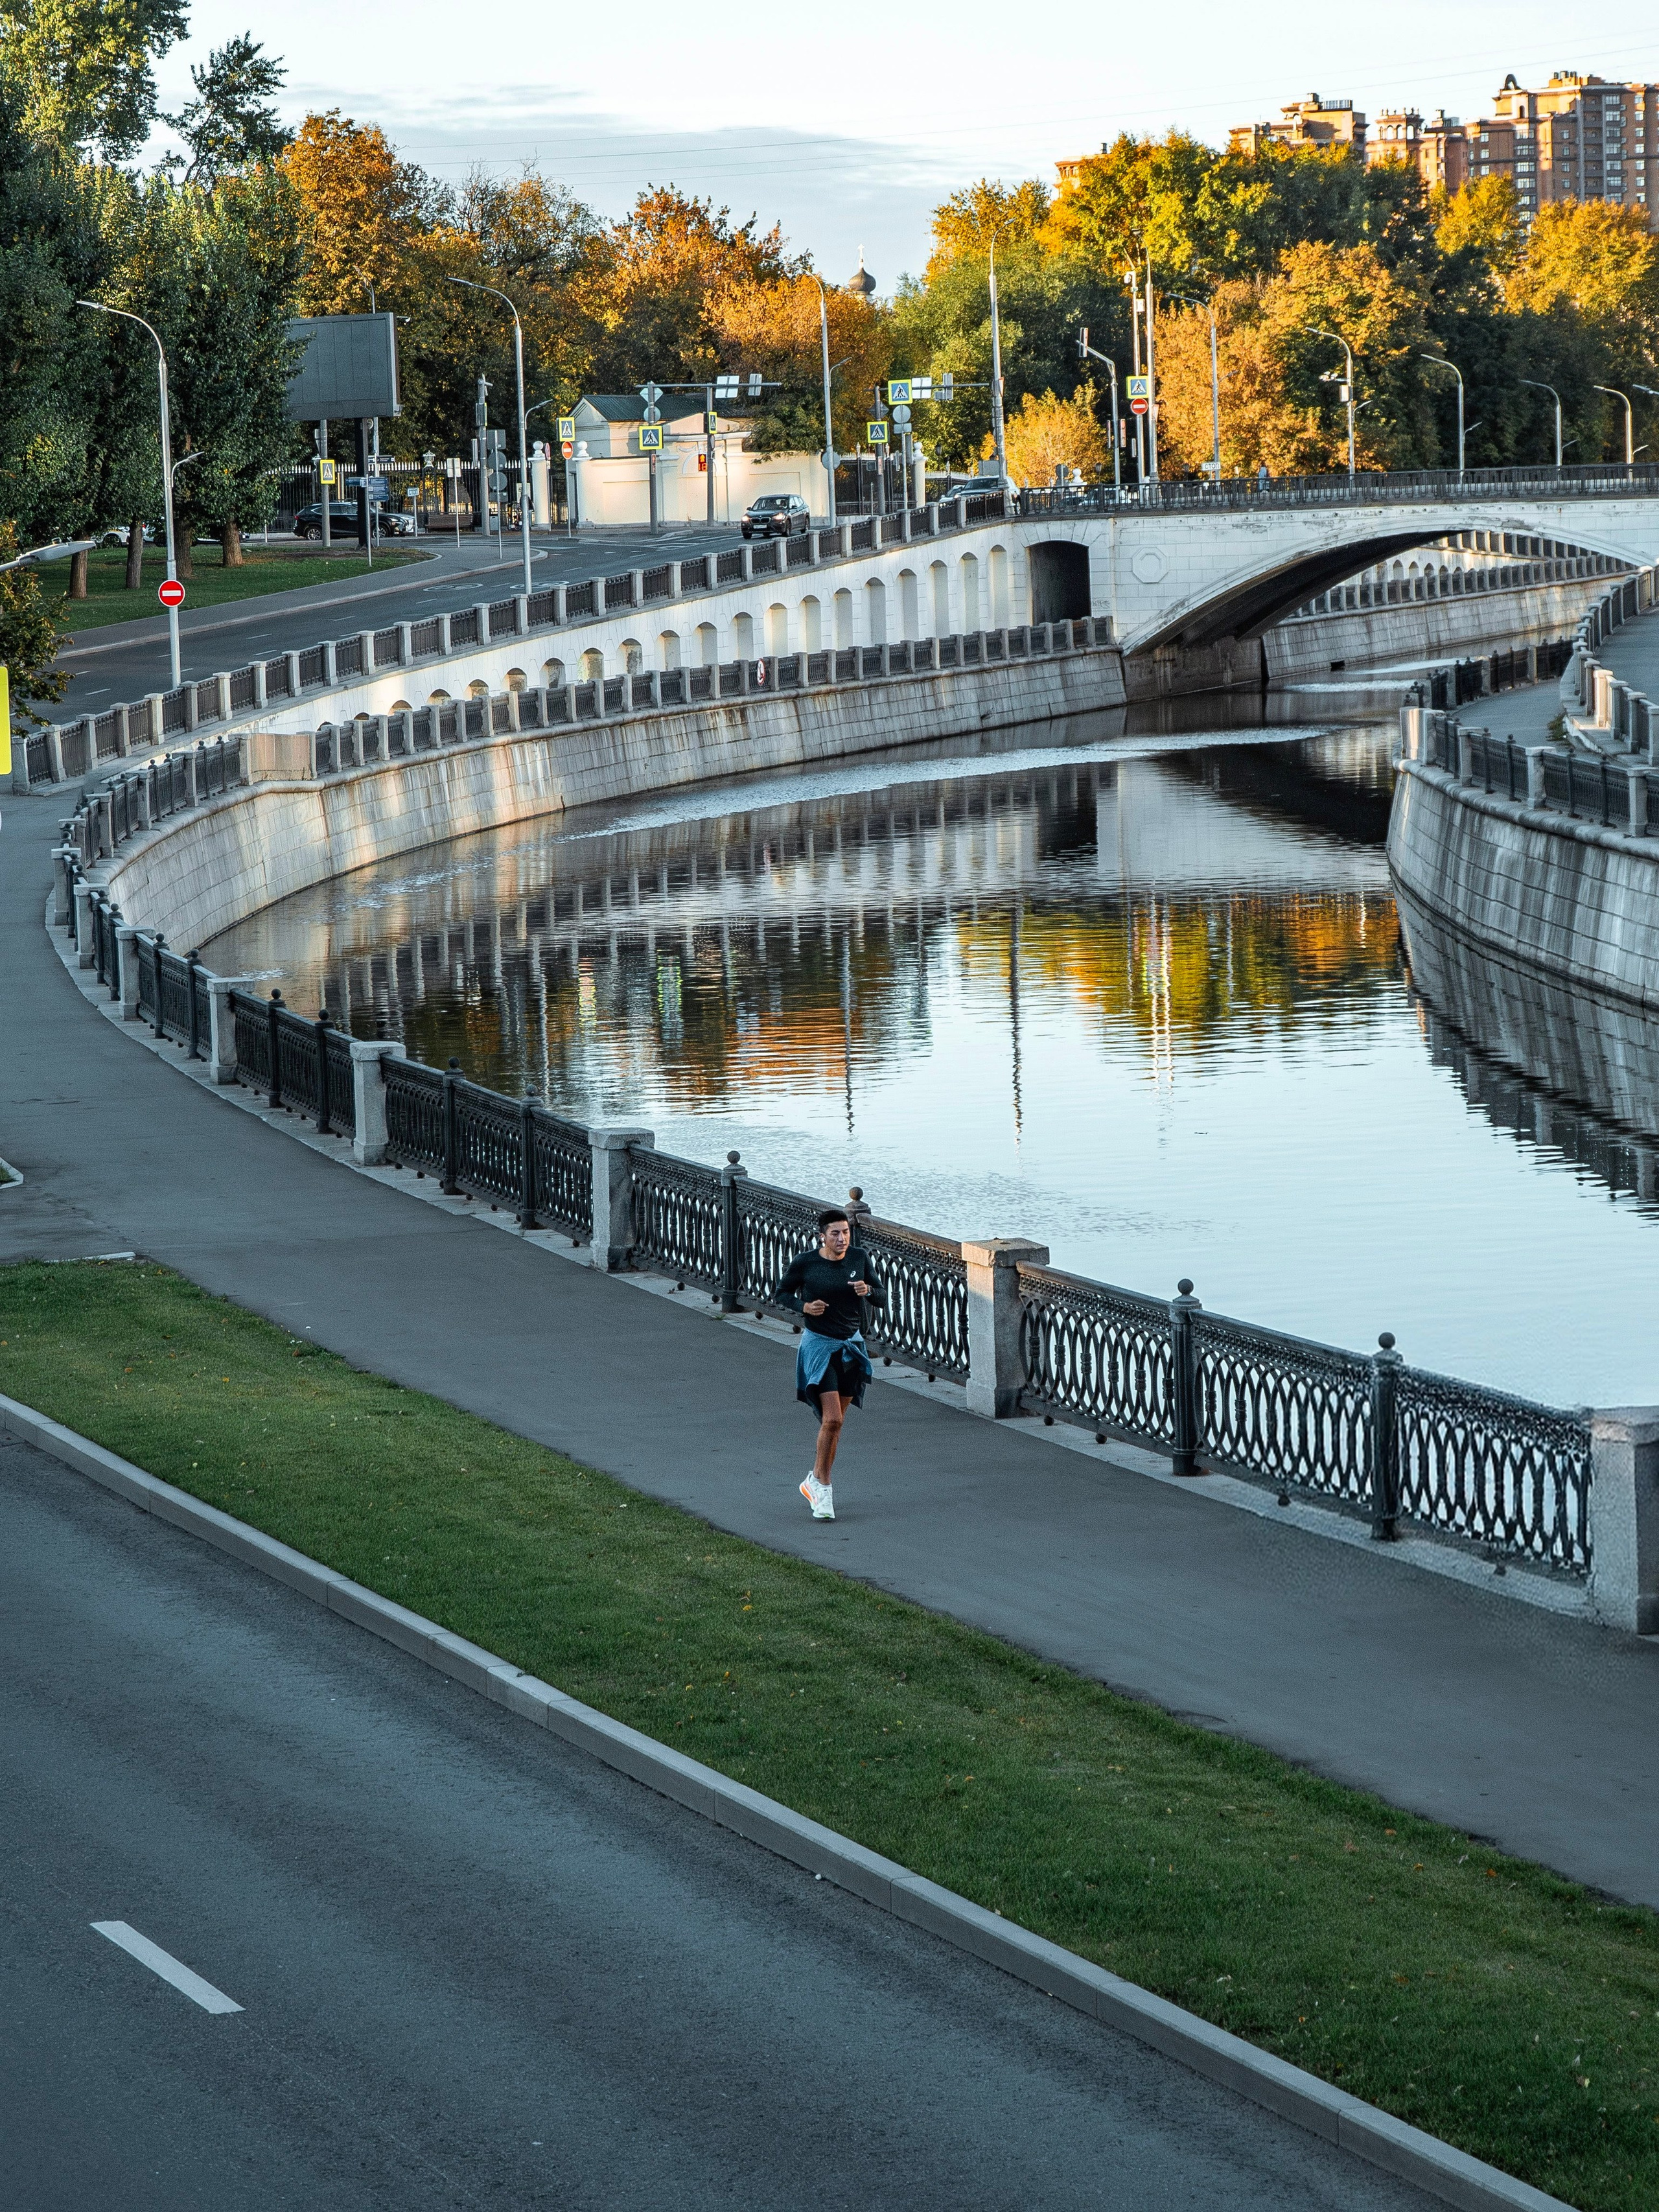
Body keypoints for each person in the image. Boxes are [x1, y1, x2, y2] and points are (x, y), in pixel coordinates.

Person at [777, 1208, 885, 1521]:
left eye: (846, 1232)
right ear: (822, 1236)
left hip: (851, 1348)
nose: (842, 1239)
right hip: (819, 1348)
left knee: (834, 1425)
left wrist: (869, 1291)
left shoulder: (859, 1258)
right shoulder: (806, 1263)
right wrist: (805, 1306)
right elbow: (782, 1293)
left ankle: (814, 1480)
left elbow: (881, 1296)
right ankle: (824, 1488)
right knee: (834, 1419)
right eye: (835, 1233)